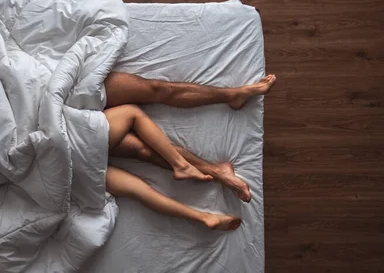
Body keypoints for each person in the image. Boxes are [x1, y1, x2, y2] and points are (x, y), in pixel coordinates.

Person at [102, 72, 277, 231]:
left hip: (78, 98)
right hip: (77, 130)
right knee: (142, 150)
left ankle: (233, 95)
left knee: (156, 89)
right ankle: (216, 172)